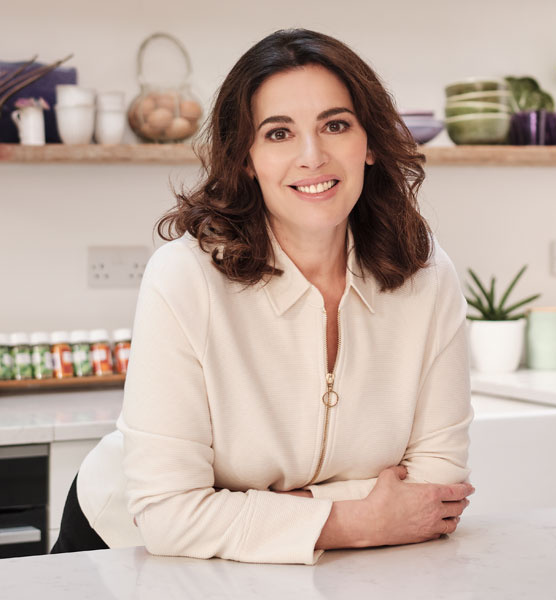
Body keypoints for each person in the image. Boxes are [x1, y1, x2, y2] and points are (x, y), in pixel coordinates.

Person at [51, 28, 474, 564]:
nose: (312, 156)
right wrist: (359, 517)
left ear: (369, 142)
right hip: (126, 552)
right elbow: (166, 514)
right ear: (246, 158)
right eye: (278, 134)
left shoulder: (426, 273)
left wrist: (256, 512)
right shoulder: (185, 277)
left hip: (320, 562)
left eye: (336, 125)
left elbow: (437, 490)